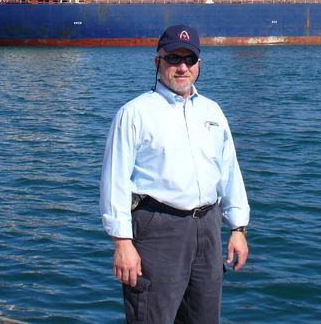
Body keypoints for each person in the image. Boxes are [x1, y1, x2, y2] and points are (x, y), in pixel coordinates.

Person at [100, 24, 250, 323]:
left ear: (198, 65)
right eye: (173, 59)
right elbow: (114, 181)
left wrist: (238, 228)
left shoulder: (212, 111)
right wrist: (122, 243)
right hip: (158, 230)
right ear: (158, 62)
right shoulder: (135, 113)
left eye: (189, 60)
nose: (182, 67)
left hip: (208, 229)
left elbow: (229, 171)